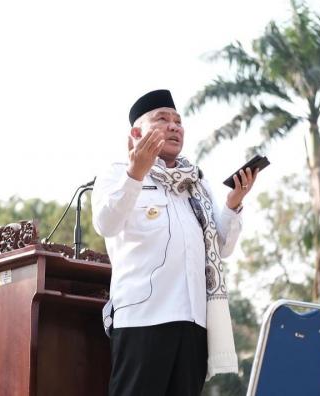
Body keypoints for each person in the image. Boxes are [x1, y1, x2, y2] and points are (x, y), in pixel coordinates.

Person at [91, 89, 259, 396]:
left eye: (178, 121)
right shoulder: (116, 173)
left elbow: (221, 248)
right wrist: (135, 173)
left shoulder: (195, 183)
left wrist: (233, 203)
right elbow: (106, 223)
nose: (174, 126)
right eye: (162, 119)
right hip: (144, 317)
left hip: (194, 319)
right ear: (136, 133)